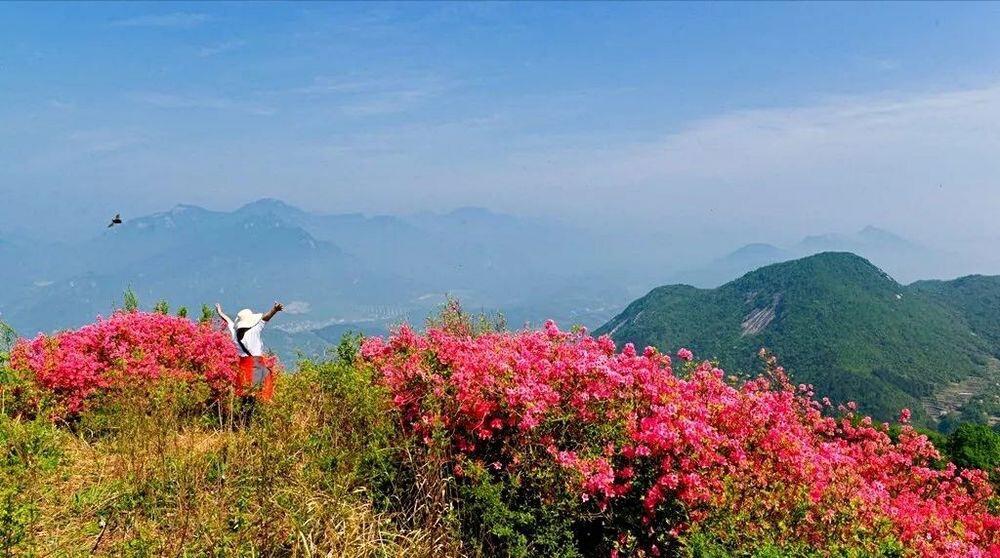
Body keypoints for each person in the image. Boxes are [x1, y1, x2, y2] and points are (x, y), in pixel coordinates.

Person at [215, 301, 283, 403]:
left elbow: (228, 320)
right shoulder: (255, 329)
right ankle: (264, 405)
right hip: (256, 364)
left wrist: (220, 312)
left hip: (243, 365)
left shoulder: (234, 332)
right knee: (259, 392)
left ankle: (243, 416)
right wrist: (275, 310)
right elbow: (265, 318)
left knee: (244, 394)